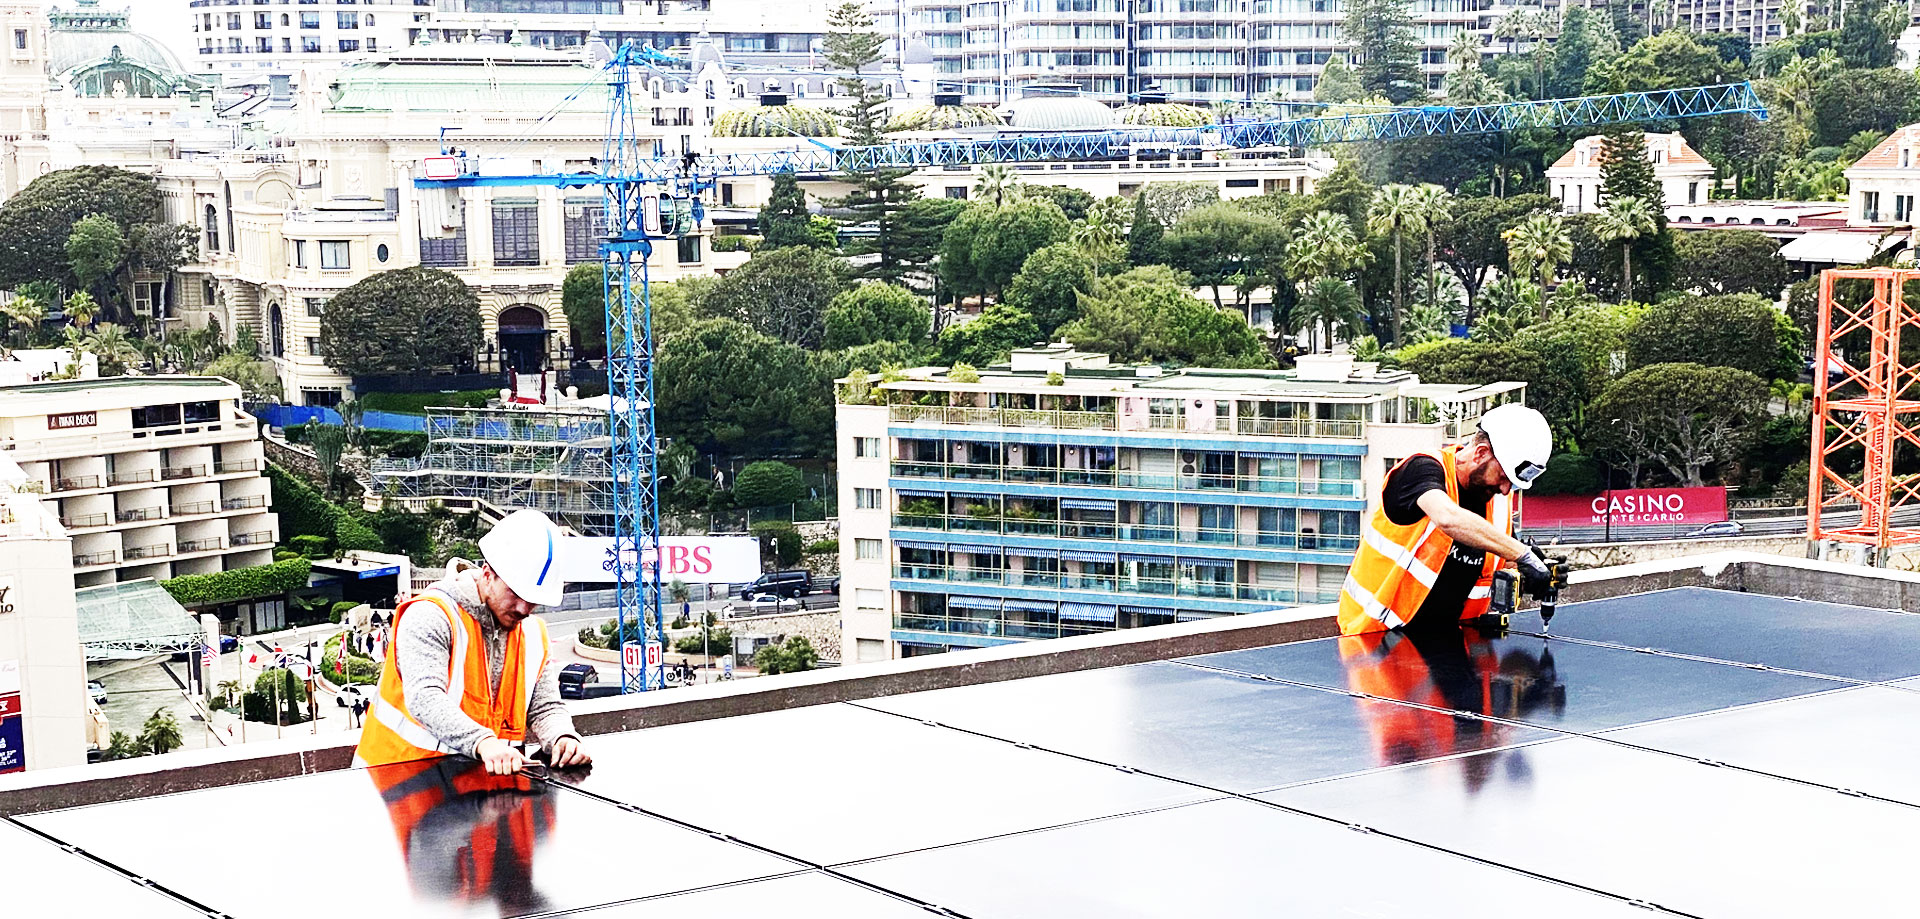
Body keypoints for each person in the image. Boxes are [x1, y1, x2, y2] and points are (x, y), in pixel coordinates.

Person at [354, 509, 592, 774]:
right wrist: (484, 742)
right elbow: (425, 696)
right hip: (397, 787)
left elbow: (545, 707)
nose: (524, 608)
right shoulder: (432, 615)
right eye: (515, 593)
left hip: (474, 790)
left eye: (534, 599)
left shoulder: (533, 634)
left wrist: (562, 737)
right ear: (488, 574)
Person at [1338, 403, 1558, 636]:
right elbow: (1447, 518)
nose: (1505, 490)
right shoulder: (1422, 470)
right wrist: (1521, 553)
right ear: (1481, 453)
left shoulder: (1498, 503)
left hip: (1447, 646)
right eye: (1503, 477)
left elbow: (1499, 560)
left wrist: (1536, 570)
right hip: (1374, 642)